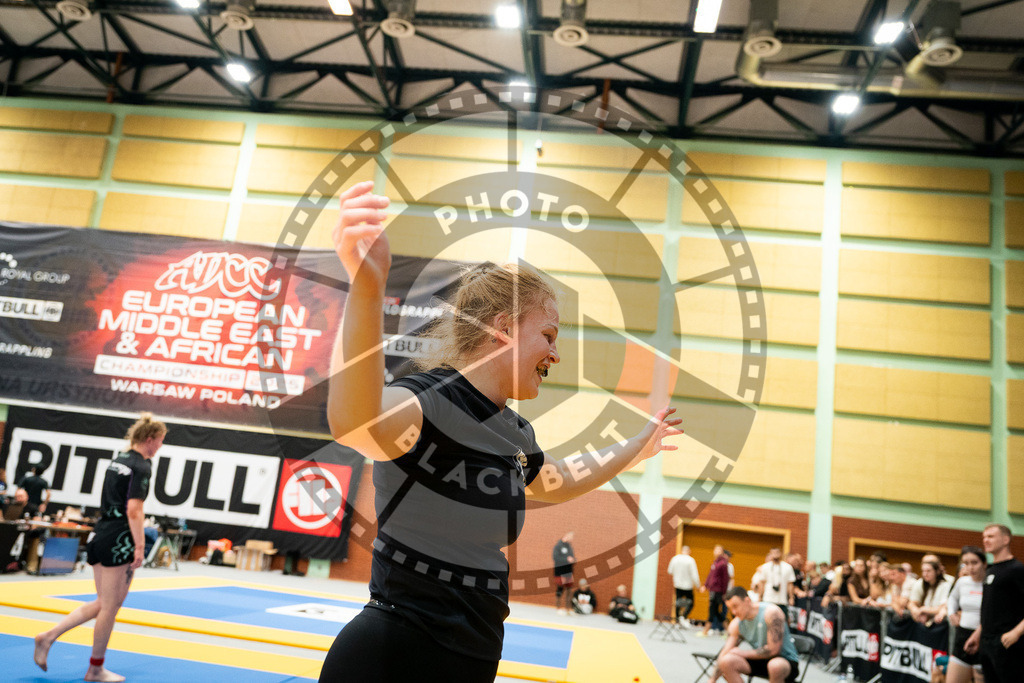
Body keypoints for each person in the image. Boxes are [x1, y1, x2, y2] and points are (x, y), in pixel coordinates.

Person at [318, 181, 683, 683]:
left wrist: (636, 449)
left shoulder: (514, 431)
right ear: (504, 328)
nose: (556, 355)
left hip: (471, 659)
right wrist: (367, 283)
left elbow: (556, 479)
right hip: (394, 657)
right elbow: (355, 424)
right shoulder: (429, 401)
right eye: (549, 336)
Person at [33, 413, 167, 683]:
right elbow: (135, 509)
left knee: (104, 603)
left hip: (100, 533)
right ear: (150, 440)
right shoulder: (142, 465)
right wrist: (140, 546)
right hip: (119, 539)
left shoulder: (118, 460)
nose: (160, 448)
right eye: (160, 442)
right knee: (110, 607)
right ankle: (95, 668)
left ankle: (48, 636)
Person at [965, 524, 1024, 683]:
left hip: (1008, 645)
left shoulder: (1016, 569)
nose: (985, 540)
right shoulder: (990, 570)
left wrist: (1016, 632)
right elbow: (991, 609)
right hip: (986, 643)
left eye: (990, 536)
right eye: (984, 537)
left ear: (1005, 539)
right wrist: (977, 634)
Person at [708, 586, 801, 683]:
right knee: (726, 661)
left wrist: (742, 653)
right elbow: (725, 652)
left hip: (784, 661)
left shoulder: (771, 612)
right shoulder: (736, 624)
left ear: (747, 600)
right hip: (760, 660)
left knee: (775, 666)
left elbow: (774, 650)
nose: (734, 612)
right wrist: (712, 679)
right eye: (730, 608)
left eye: (735, 606)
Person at [946, 546, 985, 683]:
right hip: (962, 635)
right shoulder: (962, 582)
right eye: (966, 564)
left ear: (984, 563)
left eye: (974, 563)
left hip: (983, 637)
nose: (970, 568)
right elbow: (952, 598)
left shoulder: (990, 583)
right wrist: (952, 613)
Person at [909, 557, 953, 626]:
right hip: (924, 622)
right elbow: (912, 602)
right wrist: (916, 611)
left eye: (928, 571)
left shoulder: (945, 585)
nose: (925, 574)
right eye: (923, 571)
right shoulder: (921, 583)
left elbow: (943, 607)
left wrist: (923, 610)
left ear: (937, 571)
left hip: (938, 624)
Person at [667, 545, 700, 625]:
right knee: (691, 603)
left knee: (678, 602)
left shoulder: (675, 558)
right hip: (688, 586)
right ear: (689, 551)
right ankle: (684, 616)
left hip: (678, 585)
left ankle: (677, 620)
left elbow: (670, 571)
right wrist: (698, 586)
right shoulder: (690, 560)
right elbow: (694, 575)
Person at [553, 531, 576, 615]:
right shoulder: (558, 546)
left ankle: (568, 609)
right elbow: (555, 558)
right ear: (566, 536)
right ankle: (558, 608)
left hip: (568, 572)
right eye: (571, 538)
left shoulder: (570, 547)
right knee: (560, 589)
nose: (572, 540)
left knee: (569, 590)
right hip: (560, 571)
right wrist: (566, 559)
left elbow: (573, 557)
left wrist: (573, 560)